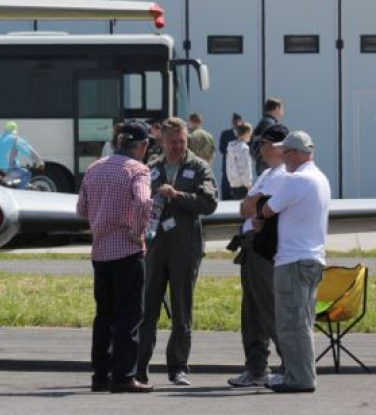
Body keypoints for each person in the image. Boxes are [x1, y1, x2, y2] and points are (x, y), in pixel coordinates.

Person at [137, 117, 218, 386]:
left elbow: (209, 203)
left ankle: (178, 367)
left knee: (182, 310)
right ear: (162, 141)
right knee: (147, 309)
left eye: (182, 141)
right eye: (172, 142)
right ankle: (139, 368)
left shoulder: (198, 167)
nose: (177, 146)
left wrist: (178, 196)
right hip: (155, 247)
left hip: (185, 247)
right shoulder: (151, 169)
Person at [77, 120, 154, 394]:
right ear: (143, 146)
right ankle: (123, 376)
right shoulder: (138, 170)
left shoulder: (94, 168)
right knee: (129, 316)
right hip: (127, 251)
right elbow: (143, 202)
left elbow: (81, 209)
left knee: (104, 316)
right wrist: (137, 231)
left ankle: (101, 375)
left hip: (100, 253)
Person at [258, 130, 329, 393]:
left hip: (293, 261)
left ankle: (300, 378)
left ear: (299, 153)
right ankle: (299, 374)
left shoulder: (297, 180)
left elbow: (266, 209)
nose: (283, 157)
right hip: (311, 258)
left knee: (291, 322)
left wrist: (259, 210)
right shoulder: (320, 178)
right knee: (302, 321)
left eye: (287, 152)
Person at [227, 123, 289, 388]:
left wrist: (251, 204)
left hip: (263, 249)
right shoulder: (267, 173)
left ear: (278, 147)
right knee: (251, 312)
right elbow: (245, 207)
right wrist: (251, 204)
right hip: (250, 247)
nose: (260, 148)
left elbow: (254, 206)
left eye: (264, 143)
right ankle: (256, 368)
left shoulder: (282, 174)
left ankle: (291, 366)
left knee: (269, 309)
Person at [0, 121, 44, 189]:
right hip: (7, 169)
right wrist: (38, 161)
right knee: (26, 174)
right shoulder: (15, 139)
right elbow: (27, 150)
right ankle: (20, 193)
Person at [251, 98, 284, 175]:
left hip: (262, 161)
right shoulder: (270, 124)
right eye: (282, 109)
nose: (282, 113)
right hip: (267, 163)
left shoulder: (264, 122)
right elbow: (271, 144)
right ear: (277, 108)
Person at [226, 122, 253, 200]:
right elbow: (245, 167)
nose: (251, 136)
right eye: (250, 134)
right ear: (246, 133)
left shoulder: (231, 147)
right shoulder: (244, 148)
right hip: (243, 184)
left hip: (234, 183)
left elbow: (228, 166)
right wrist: (248, 184)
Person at [219, 113, 243, 200]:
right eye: (234, 121)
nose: (235, 123)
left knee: (239, 191)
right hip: (228, 165)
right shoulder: (225, 134)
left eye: (237, 121)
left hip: (240, 166)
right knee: (226, 188)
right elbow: (222, 148)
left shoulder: (244, 134)